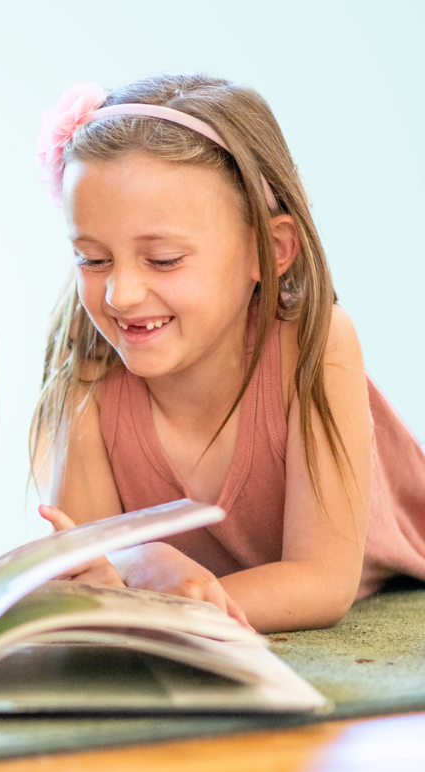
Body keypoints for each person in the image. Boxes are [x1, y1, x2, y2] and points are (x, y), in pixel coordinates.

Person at [31, 75, 425, 634]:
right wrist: (139, 560)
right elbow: (84, 559)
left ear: (271, 251)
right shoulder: (88, 361)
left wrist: (168, 605)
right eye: (93, 260)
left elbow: (321, 582)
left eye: (164, 260)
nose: (121, 295)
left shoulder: (316, 342)